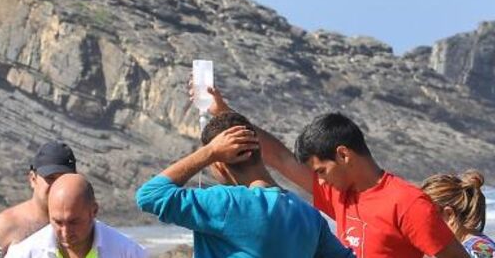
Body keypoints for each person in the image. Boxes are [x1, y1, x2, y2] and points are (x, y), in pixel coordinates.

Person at [202, 87, 470, 258]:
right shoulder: (340, 196)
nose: (318, 181)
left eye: (321, 170)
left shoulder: (407, 202)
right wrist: (225, 113)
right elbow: (282, 158)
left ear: (344, 154)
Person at [136, 111, 354, 258]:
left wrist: (209, 152)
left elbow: (150, 195)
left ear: (220, 165)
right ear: (258, 153)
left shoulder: (225, 204)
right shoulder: (308, 215)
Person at [6, 173, 145, 258]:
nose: (65, 233)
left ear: (94, 211)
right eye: (58, 222)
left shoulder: (129, 253)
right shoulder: (23, 254)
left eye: (73, 222)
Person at [0, 141, 77, 254]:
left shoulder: (84, 224)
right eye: (50, 178)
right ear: (33, 179)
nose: (57, 185)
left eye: (63, 178)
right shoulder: (5, 226)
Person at [421, 171, 495, 258]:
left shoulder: (478, 252)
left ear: (449, 215)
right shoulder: (465, 247)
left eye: (425, 218)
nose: (421, 226)